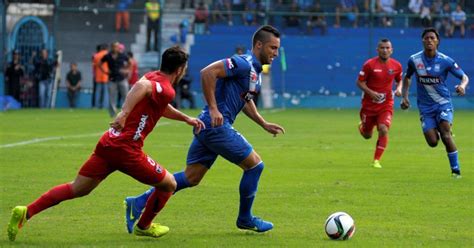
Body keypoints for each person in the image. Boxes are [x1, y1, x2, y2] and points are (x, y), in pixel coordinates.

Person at [7, 46, 205, 242]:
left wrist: (186, 118)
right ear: (180, 69)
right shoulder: (165, 89)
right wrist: (124, 113)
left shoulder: (152, 76)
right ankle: (144, 226)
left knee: (78, 188)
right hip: (127, 150)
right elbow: (142, 88)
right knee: (169, 184)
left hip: (109, 143)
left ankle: (26, 212)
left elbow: (157, 101)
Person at [123, 25, 285, 234]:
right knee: (255, 166)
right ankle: (245, 218)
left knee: (192, 177)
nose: (275, 54)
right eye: (272, 48)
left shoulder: (254, 72)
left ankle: (138, 202)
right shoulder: (242, 63)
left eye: (277, 49)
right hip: (216, 125)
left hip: (207, 126)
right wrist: (214, 108)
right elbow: (208, 72)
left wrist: (263, 123)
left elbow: (244, 100)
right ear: (259, 45)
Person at [401, 28, 469, 178]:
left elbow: (464, 77)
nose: (429, 40)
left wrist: (462, 86)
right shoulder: (414, 60)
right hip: (425, 107)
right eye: (426, 38)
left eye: (432, 38)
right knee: (433, 142)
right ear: (422, 41)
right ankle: (442, 128)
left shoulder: (445, 60)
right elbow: (407, 77)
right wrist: (405, 97)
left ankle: (456, 170)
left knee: (445, 135)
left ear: (438, 41)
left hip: (443, 103)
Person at [356, 38, 402, 169]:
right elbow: (359, 82)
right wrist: (370, 92)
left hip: (386, 104)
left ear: (391, 50)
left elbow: (400, 80)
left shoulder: (396, 66)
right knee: (367, 135)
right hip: (369, 106)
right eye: (382, 48)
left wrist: (398, 89)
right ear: (377, 50)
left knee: (383, 129)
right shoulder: (369, 65)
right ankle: (362, 127)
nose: (385, 50)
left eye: (387, 48)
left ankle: (376, 160)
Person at [100, 41, 131, 117]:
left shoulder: (123, 55)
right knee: (112, 97)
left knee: (126, 96)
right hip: (112, 79)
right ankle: (113, 114)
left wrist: (127, 70)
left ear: (118, 47)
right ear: (111, 47)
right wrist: (105, 71)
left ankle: (126, 113)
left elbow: (130, 62)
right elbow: (100, 63)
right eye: (114, 46)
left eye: (116, 46)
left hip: (122, 78)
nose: (115, 48)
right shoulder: (108, 56)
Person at [93, 44, 109, 109]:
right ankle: (104, 106)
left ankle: (97, 106)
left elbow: (94, 66)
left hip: (98, 76)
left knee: (98, 92)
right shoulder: (108, 55)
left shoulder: (96, 55)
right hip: (106, 75)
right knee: (105, 93)